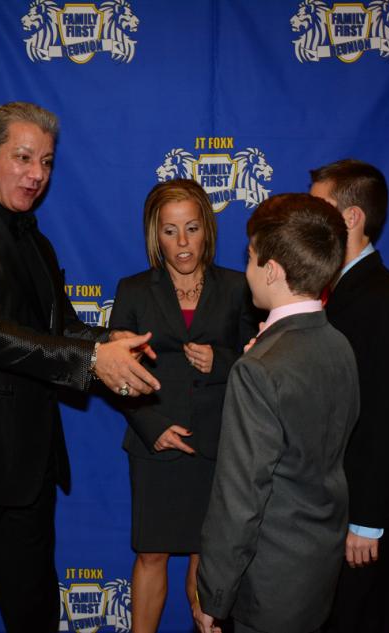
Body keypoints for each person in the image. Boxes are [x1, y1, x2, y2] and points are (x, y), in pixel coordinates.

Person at [0, 102, 161, 632]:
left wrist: (108, 340)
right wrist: (92, 359)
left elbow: (57, 325)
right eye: (23, 158)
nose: (37, 174)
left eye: (45, 161)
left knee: (35, 615)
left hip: (29, 469)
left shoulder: (34, 240)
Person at [196, 193, 359, 633]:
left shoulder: (258, 369)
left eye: (249, 258)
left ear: (271, 270)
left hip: (269, 581)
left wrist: (214, 592)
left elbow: (240, 496)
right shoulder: (338, 344)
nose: (245, 269)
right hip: (319, 568)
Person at [107, 179, 258, 632]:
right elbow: (117, 376)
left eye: (191, 228)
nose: (182, 242)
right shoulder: (133, 290)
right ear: (156, 235)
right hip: (155, 443)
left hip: (217, 445)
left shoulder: (237, 287)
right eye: (170, 231)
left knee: (206, 555)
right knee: (151, 554)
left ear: (207, 229)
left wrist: (221, 361)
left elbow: (262, 364)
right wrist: (153, 427)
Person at [309, 160, 389, 633]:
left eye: (320, 208)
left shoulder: (383, 299)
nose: (309, 220)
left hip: (362, 518)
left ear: (351, 218)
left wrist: (367, 520)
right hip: (331, 507)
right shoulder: (337, 289)